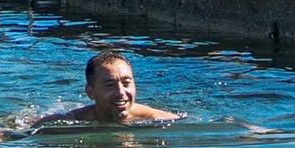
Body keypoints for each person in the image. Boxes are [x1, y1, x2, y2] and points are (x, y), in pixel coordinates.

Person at [27, 51, 181, 131]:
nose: (121, 92)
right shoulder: (69, 122)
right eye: (109, 85)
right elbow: (26, 134)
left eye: (126, 83)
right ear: (90, 92)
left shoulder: (159, 120)